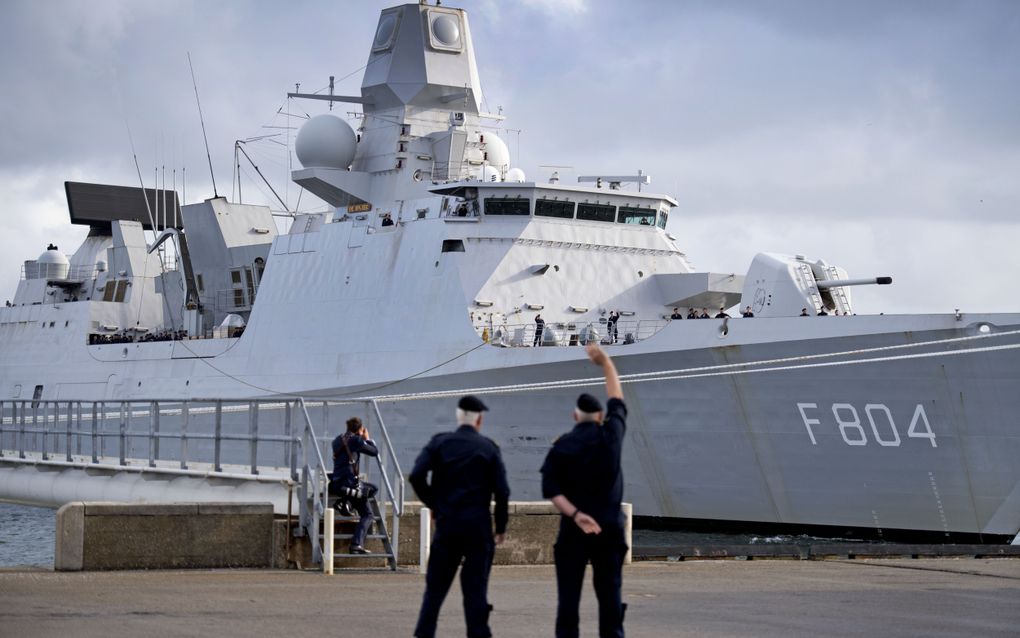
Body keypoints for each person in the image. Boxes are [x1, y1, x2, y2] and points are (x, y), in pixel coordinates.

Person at [542, 343, 628, 638]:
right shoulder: (612, 437)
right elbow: (617, 398)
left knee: (568, 603)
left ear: (575, 416)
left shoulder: (562, 446)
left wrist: (577, 515)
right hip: (609, 530)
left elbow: (552, 489)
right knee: (610, 600)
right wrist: (605, 363)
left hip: (574, 533)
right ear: (601, 416)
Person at [411, 396, 510, 638]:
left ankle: (424, 634)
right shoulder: (489, 448)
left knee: (434, 592)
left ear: (458, 416)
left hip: (448, 527)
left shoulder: (440, 443)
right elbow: (502, 491)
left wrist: (436, 503)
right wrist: (501, 527)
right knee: (476, 593)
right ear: (479, 419)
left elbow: (416, 476)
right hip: (478, 530)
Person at [329, 417, 379, 554]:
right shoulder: (356, 440)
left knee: (370, 489)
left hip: (337, 483)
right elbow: (374, 452)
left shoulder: (337, 440)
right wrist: (367, 438)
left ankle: (345, 503)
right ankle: (356, 544)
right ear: (359, 429)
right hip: (350, 483)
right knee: (368, 514)